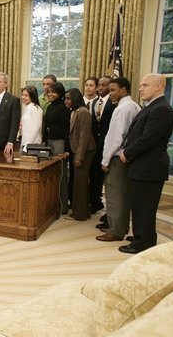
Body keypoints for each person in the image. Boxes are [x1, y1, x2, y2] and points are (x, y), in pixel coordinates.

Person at [119, 74, 173, 254]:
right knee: (139, 205)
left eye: (145, 85)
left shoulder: (162, 109)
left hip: (149, 167)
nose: (140, 88)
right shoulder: (151, 106)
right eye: (140, 85)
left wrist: (127, 153)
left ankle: (143, 243)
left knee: (145, 207)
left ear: (159, 87)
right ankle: (141, 236)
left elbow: (147, 139)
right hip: (142, 166)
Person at [96, 77, 141, 242]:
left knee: (114, 195)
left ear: (124, 90)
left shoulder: (122, 109)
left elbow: (116, 137)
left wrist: (105, 160)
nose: (110, 92)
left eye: (113, 89)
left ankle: (115, 231)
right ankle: (121, 226)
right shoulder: (134, 105)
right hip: (126, 157)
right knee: (123, 194)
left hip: (117, 157)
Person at [64, 88, 96, 221]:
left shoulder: (84, 113)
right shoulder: (74, 111)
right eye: (65, 98)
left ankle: (80, 214)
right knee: (79, 182)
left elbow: (84, 136)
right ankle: (83, 212)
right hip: (76, 150)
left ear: (75, 99)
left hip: (85, 151)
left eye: (68, 99)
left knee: (80, 183)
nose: (66, 101)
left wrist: (79, 157)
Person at [42, 82, 71, 214]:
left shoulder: (63, 108)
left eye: (53, 92)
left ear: (60, 93)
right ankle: (51, 204)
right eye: (49, 92)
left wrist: (67, 149)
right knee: (50, 174)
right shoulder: (49, 107)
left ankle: (62, 206)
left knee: (61, 175)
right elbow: (46, 126)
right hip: (49, 142)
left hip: (60, 143)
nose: (50, 94)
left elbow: (66, 130)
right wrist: (44, 141)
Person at [89, 76, 116, 216]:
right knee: (94, 176)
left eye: (104, 85)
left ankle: (110, 211)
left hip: (109, 145)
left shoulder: (114, 103)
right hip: (95, 146)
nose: (100, 88)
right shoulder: (94, 102)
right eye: (99, 85)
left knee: (109, 180)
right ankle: (95, 202)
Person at [20, 86, 43, 152]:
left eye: (26, 95)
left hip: (32, 144)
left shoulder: (35, 109)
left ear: (32, 96)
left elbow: (34, 129)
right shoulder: (28, 107)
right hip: (26, 143)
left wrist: (27, 146)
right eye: (22, 95)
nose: (23, 97)